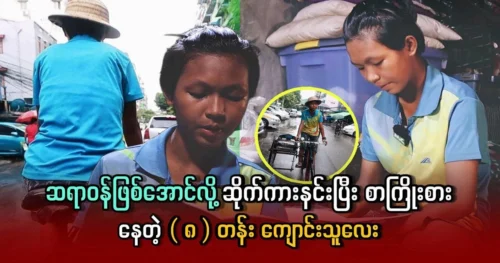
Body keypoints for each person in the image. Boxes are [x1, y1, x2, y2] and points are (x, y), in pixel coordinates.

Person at [71, 26, 288, 240]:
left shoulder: (258, 183)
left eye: (233, 96)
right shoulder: (115, 170)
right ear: (169, 92)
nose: (216, 111)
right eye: (198, 93)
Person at [342, 0, 491, 244]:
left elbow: (460, 202)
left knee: (423, 242)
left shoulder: (459, 103)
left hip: (456, 219)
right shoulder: (373, 109)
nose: (371, 76)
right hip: (398, 214)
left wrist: (408, 225)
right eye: (360, 68)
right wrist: (340, 211)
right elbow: (367, 187)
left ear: (409, 45)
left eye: (377, 63)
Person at [20, 0, 143, 247]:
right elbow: (130, 122)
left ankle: (58, 223)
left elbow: (43, 115)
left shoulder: (44, 58)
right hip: (103, 171)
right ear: (103, 33)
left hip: (43, 171)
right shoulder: (118, 58)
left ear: (65, 29)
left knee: (58, 240)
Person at [295, 96, 327, 168]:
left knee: (314, 148)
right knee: (303, 146)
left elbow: (321, 127)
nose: (314, 105)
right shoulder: (304, 113)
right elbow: (302, 124)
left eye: (316, 104)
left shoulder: (319, 114)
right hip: (305, 131)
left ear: (317, 105)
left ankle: (313, 162)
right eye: (312, 104)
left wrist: (324, 137)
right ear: (308, 105)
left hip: (315, 132)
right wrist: (298, 135)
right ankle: (300, 161)